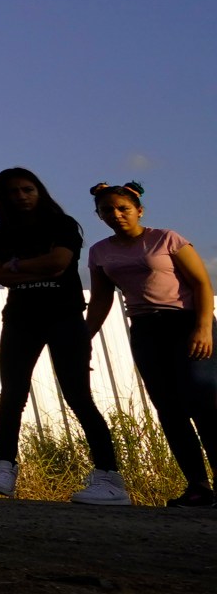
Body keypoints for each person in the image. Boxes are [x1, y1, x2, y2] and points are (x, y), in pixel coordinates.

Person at [0, 168, 127, 504]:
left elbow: (59, 263)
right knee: (12, 394)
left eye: (27, 189)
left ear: (39, 190)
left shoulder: (62, 225)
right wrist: (33, 266)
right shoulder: (0, 233)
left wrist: (13, 267)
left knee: (78, 396)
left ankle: (109, 477)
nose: (21, 196)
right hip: (19, 320)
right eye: (13, 192)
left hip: (64, 317)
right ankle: (5, 468)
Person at [82, 181, 217, 508]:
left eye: (122, 208)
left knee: (203, 402)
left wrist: (203, 328)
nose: (115, 215)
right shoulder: (100, 252)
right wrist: (82, 339)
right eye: (107, 211)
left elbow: (201, 283)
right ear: (99, 215)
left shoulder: (167, 239)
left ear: (139, 210)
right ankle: (198, 487)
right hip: (145, 329)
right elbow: (101, 299)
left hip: (185, 323)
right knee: (169, 409)